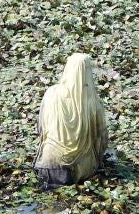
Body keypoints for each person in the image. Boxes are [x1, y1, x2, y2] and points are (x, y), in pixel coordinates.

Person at [34, 53, 108, 187]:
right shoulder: (93, 102)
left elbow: (40, 129)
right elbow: (102, 139)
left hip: (49, 165)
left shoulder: (51, 93)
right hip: (80, 172)